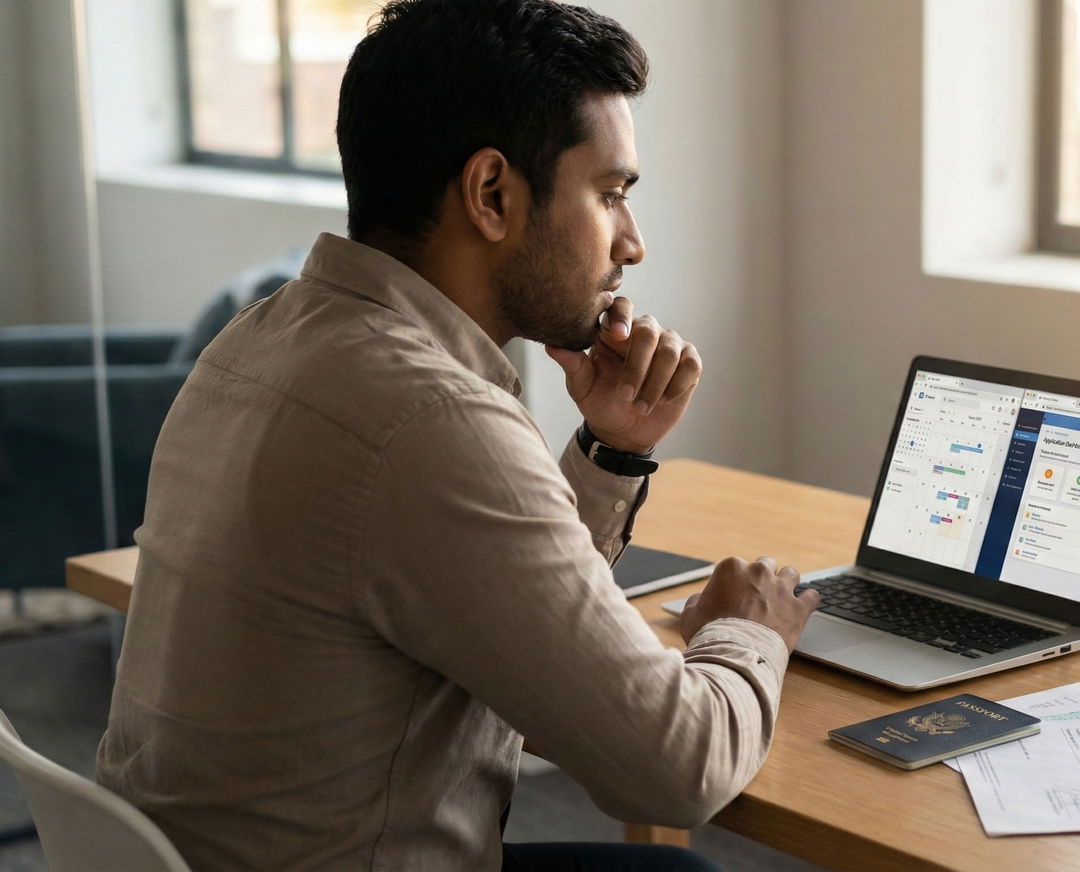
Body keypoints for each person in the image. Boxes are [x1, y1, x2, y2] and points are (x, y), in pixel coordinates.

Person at [94, 1, 820, 869]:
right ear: (491, 195)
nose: (633, 242)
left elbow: (484, 595)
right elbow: (677, 771)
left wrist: (609, 450)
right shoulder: (428, 419)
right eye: (612, 194)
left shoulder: (260, 341)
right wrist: (750, 633)